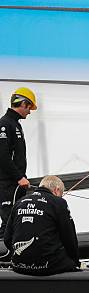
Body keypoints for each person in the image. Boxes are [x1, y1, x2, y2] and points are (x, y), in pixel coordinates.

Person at [4, 175, 79, 276]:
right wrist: (75, 263)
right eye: (61, 194)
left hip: (19, 266)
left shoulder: (19, 202)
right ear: (56, 190)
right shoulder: (59, 203)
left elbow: (7, 238)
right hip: (48, 265)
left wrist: (21, 256)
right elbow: (69, 238)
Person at [0, 87, 36, 238]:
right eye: (29, 107)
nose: (30, 111)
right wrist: (18, 177)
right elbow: (2, 155)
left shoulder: (15, 124)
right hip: (8, 184)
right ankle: (4, 255)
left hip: (15, 184)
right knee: (8, 223)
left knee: (16, 223)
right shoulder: (5, 124)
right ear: (23, 104)